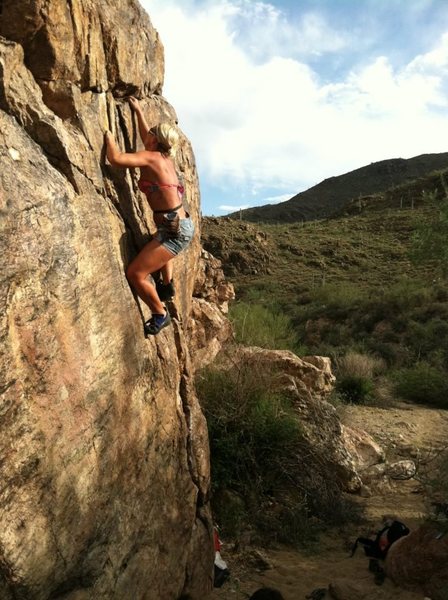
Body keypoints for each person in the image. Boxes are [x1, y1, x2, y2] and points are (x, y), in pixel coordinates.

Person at [104, 97, 195, 336]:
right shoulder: (164, 158)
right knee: (160, 242)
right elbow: (148, 136)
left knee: (136, 273)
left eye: (151, 134)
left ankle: (159, 313)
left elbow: (115, 159)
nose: (148, 135)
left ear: (155, 140)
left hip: (173, 229)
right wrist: (138, 111)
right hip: (179, 224)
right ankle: (166, 285)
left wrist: (108, 136)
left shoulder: (151, 157)